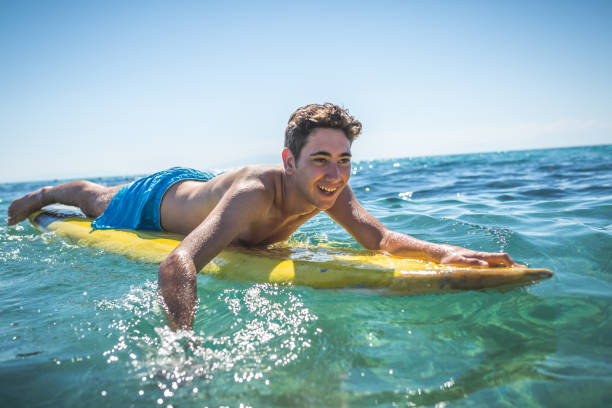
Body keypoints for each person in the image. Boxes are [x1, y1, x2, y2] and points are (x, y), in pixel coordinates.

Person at [7, 103, 521, 330]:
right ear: (289, 160)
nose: (335, 174)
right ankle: (60, 190)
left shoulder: (332, 188)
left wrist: (442, 253)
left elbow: (378, 238)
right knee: (98, 201)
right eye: (321, 159)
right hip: (154, 199)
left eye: (344, 160)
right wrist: (181, 345)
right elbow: (177, 265)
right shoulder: (256, 192)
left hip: (203, 189)